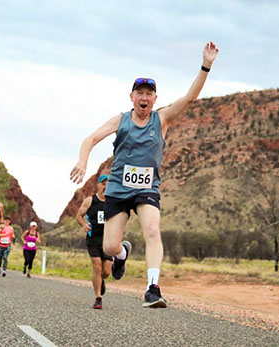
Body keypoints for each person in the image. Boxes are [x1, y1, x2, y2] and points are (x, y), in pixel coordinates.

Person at [70, 42, 219, 308]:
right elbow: (90, 138)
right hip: (117, 189)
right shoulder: (121, 120)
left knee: (152, 230)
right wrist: (83, 161)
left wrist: (205, 66)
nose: (144, 97)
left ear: (154, 99)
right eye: (140, 92)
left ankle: (152, 288)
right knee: (110, 248)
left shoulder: (162, 119)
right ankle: (123, 252)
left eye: (149, 93)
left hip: (146, 188)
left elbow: (190, 98)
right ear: (132, 97)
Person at [76, 174, 112, 309]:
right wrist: (84, 225)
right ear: (98, 185)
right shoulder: (90, 200)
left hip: (108, 239)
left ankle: (101, 280)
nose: (105, 186)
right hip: (93, 238)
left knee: (106, 271)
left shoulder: (112, 201)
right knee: (97, 265)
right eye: (103, 183)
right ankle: (98, 298)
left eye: (108, 184)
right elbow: (79, 215)